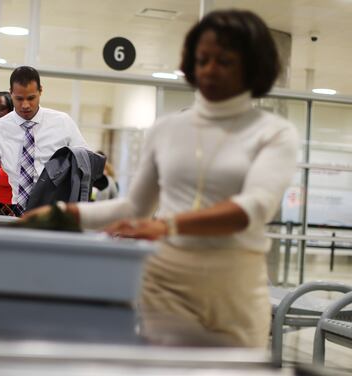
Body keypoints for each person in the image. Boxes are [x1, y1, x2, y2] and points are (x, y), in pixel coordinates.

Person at [25, 10, 298, 347]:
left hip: (234, 291)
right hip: (168, 285)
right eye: (203, 59)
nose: (210, 69)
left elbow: (253, 208)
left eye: (224, 60)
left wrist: (168, 226)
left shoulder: (273, 133)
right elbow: (136, 206)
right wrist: (66, 214)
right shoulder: (167, 130)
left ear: (253, 66)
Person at [0, 66, 88, 215]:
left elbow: (85, 162)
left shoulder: (62, 122)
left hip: (56, 211)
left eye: (31, 98)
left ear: (40, 91)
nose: (25, 105)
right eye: (19, 98)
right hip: (17, 210)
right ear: (11, 93)